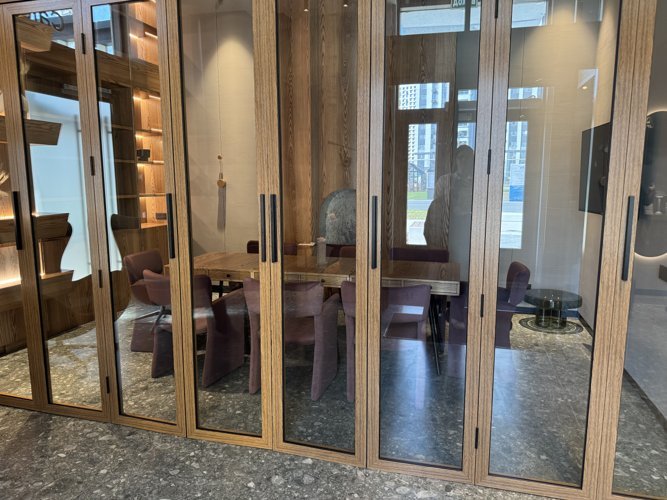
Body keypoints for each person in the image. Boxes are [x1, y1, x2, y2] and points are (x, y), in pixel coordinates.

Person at [423, 145, 474, 250]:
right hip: (447, 224)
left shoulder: (477, 183)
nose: (464, 161)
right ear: (455, 160)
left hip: (468, 225)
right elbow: (436, 206)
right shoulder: (444, 181)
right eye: (461, 157)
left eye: (468, 158)